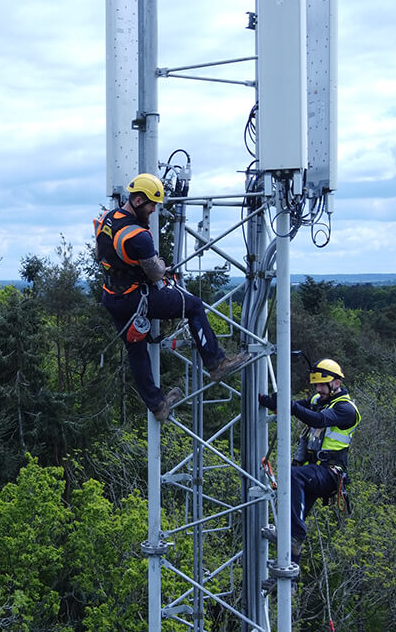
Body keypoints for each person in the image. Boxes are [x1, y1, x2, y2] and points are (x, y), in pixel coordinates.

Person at [95, 173, 249, 421]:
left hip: (113, 296)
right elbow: (155, 275)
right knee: (195, 307)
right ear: (137, 201)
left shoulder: (107, 220)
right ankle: (216, 362)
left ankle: (157, 405)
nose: (153, 210)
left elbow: (101, 254)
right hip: (137, 298)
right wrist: (161, 267)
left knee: (136, 349)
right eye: (151, 204)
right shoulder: (139, 236)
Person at [259, 358, 360, 562]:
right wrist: (264, 399)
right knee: (294, 516)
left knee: (293, 477)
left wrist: (291, 406)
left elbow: (319, 420)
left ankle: (294, 536)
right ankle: (290, 573)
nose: (318, 389)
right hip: (315, 470)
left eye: (322, 385)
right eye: (316, 385)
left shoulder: (346, 409)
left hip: (330, 472)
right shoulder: (318, 401)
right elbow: (296, 407)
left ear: (336, 383)